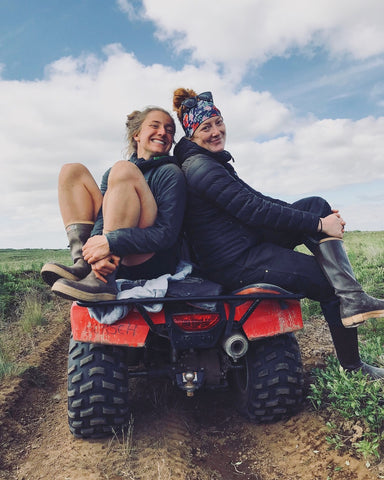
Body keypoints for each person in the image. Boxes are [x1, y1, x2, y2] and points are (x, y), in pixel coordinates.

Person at [172, 87, 384, 379]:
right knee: (326, 281)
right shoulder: (200, 168)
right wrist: (319, 226)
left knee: (316, 205)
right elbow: (253, 209)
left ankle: (353, 297)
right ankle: (354, 366)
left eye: (218, 122)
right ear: (192, 135)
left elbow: (260, 200)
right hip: (235, 262)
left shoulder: (211, 162)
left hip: (247, 242)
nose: (216, 131)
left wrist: (317, 217)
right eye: (205, 127)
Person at [41, 106, 186, 302]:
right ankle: (84, 264)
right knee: (72, 171)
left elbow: (166, 235)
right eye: (155, 126)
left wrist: (111, 243)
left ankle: (103, 280)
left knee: (123, 169)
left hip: (151, 259)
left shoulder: (170, 173)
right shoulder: (113, 174)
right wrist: (94, 252)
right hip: (113, 255)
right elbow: (103, 216)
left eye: (170, 130)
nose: (163, 132)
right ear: (137, 135)